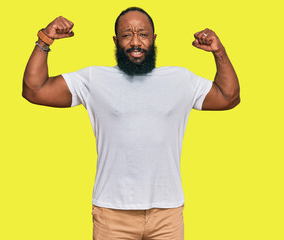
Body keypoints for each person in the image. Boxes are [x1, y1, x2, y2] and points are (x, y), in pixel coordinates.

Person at [22, 6, 240, 240]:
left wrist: (219, 52)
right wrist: (45, 39)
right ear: (116, 41)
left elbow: (229, 97)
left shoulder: (180, 79)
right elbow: (34, 90)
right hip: (112, 215)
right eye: (127, 35)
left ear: (154, 39)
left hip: (167, 213)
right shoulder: (95, 79)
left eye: (143, 34)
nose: (136, 42)